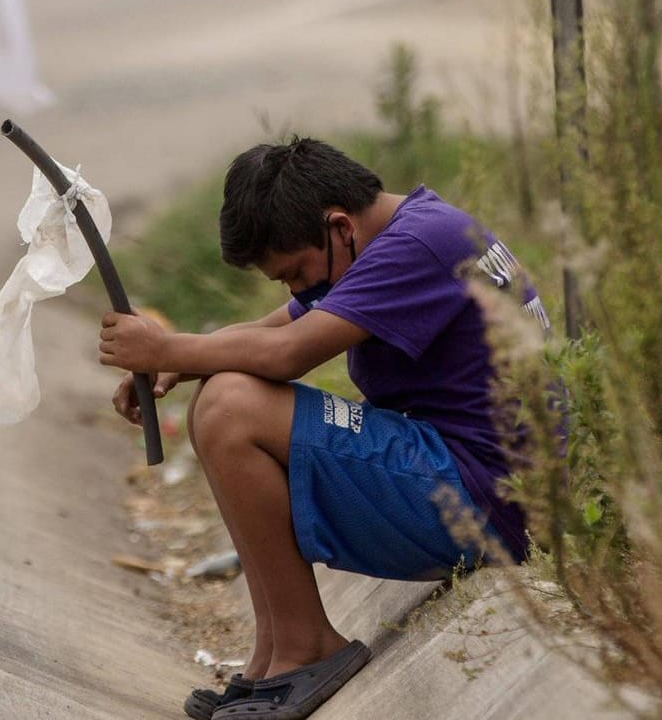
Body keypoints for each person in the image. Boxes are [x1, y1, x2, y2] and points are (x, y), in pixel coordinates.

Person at [97, 138, 551, 720]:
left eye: (295, 274)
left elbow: (286, 353)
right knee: (219, 392)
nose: (296, 292)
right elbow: (268, 332)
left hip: (488, 500)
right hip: (474, 478)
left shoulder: (416, 246)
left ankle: (307, 648)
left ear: (338, 226)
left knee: (232, 407)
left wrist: (166, 343)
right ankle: (273, 654)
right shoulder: (402, 232)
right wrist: (177, 362)